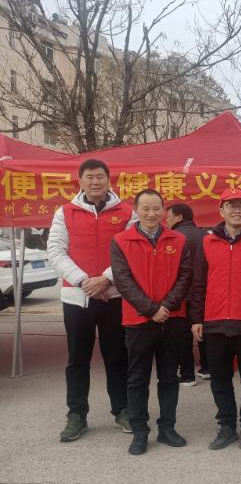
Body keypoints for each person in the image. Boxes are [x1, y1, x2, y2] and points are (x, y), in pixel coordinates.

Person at [48, 158, 137, 442]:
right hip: (78, 298)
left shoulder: (128, 212)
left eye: (100, 176)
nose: (95, 181)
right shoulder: (65, 212)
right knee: (77, 359)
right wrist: (84, 281)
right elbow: (56, 251)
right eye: (90, 177)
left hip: (114, 297)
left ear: (109, 180)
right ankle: (76, 415)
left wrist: (106, 279)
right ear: (81, 181)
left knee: (117, 356)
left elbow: (132, 251)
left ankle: (122, 409)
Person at [189, 189, 241, 451]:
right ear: (221, 211)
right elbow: (198, 283)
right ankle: (226, 426)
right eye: (231, 206)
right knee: (220, 380)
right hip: (215, 323)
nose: (236, 210)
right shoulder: (207, 242)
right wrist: (196, 318)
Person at [110, 189, 192, 455]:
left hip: (172, 319)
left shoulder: (178, 239)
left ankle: (167, 428)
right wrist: (151, 309)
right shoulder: (121, 241)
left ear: (164, 210)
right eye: (145, 208)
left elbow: (185, 276)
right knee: (137, 379)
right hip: (138, 320)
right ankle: (140, 431)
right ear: (136, 210)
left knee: (169, 377)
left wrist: (166, 306)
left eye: (156, 208)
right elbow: (123, 281)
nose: (151, 214)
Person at [166, 203, 208, 385]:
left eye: (169, 217)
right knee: (202, 328)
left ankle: (187, 375)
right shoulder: (206, 236)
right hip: (202, 292)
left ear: (179, 217)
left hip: (181, 293)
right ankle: (207, 368)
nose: (167, 221)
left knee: (183, 335)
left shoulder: (173, 237)